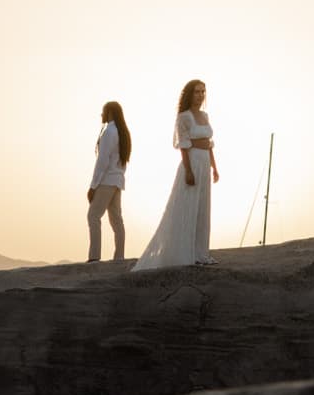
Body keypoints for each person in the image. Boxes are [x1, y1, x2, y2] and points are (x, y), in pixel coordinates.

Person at [130, 79, 218, 271]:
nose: (201, 95)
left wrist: (215, 167)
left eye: (203, 92)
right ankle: (184, 253)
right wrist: (188, 171)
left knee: (203, 208)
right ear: (189, 94)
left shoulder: (205, 115)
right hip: (193, 163)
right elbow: (184, 147)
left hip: (205, 164)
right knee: (188, 208)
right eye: (197, 92)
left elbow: (209, 143)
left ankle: (201, 253)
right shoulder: (184, 117)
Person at [85, 100, 130, 261]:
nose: (101, 115)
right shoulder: (122, 132)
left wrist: (93, 186)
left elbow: (103, 161)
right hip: (117, 180)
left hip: (107, 180)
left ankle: (94, 257)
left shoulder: (109, 132)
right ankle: (119, 257)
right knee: (116, 220)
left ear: (110, 112)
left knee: (93, 216)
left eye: (103, 111)